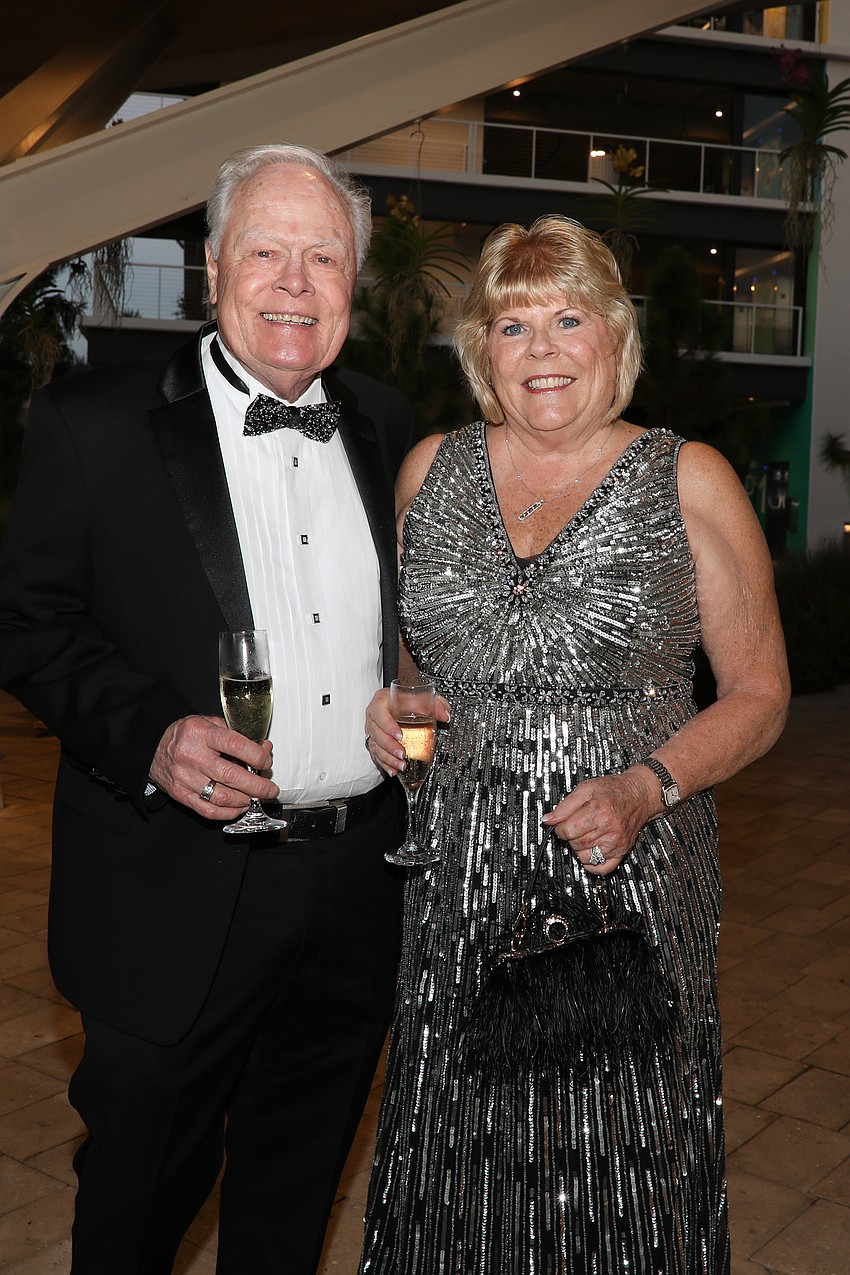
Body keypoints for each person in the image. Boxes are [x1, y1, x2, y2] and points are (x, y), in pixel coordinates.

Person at [0, 142, 414, 1274]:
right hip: (171, 889)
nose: (294, 282)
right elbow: (26, 621)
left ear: (352, 282)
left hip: (357, 886)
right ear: (214, 265)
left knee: (290, 1204)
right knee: (136, 1207)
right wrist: (150, 735)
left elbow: (410, 619)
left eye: (323, 257)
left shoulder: (388, 424)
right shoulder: (92, 422)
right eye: (267, 251)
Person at [361, 214, 790, 1274]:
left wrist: (648, 787)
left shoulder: (687, 477)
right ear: (482, 350)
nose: (541, 350)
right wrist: (394, 709)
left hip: (625, 880)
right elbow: (415, 671)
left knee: (615, 1163)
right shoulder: (427, 471)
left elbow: (761, 694)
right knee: (456, 1154)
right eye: (513, 326)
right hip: (457, 881)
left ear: (613, 335)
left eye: (568, 320)